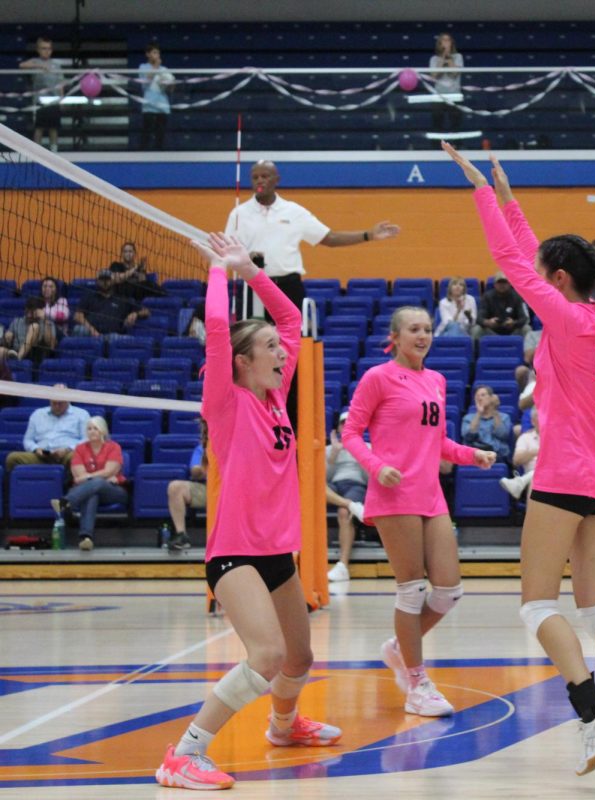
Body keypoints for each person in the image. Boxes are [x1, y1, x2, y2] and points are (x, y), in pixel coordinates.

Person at [445, 142, 595, 780]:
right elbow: (539, 252)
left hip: (565, 474)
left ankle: (593, 712)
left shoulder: (565, 317)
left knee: (538, 606)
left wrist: (479, 193)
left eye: (550, 275)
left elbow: (512, 259)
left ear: (560, 282)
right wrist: (510, 196)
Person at [155, 232, 341, 791]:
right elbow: (217, 333)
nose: (283, 352)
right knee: (267, 654)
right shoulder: (228, 402)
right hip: (236, 554)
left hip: (275, 551)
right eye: (270, 348)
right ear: (243, 360)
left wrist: (251, 271)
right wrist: (219, 271)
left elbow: (290, 321)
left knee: (300, 657)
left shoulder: (273, 396)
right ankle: (184, 753)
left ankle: (283, 727)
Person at [341, 304, 496, 717]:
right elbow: (351, 433)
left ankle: (397, 647)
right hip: (394, 494)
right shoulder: (378, 377)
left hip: (429, 493)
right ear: (396, 336)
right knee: (411, 589)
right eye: (414, 329)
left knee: (448, 590)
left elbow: (439, 442)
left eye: (427, 329)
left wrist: (471, 455)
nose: (423, 335)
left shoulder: (437, 380)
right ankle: (416, 682)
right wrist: (376, 466)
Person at [225, 160, 399, 312]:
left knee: (289, 341)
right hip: (253, 286)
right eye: (255, 177)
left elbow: (330, 238)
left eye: (265, 176)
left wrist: (368, 235)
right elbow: (227, 251)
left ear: (276, 179)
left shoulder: (294, 211)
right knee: (252, 341)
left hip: (288, 286)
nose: (260, 180)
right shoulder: (239, 213)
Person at [52, 417, 127, 551]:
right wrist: (99, 476)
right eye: (89, 428)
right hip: (89, 491)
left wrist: (90, 476)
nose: (92, 431)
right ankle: (86, 538)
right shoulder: (80, 449)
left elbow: (110, 470)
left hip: (114, 491)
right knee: (92, 494)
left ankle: (66, 502)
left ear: (103, 431)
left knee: (96, 482)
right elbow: (79, 477)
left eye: (95, 428)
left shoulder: (113, 447)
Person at [325, 411, 368, 583]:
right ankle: (351, 505)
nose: (346, 426)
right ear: (338, 427)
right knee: (313, 488)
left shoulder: (368, 447)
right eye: (343, 423)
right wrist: (333, 456)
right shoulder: (329, 449)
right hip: (333, 486)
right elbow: (323, 479)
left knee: (343, 513)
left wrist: (361, 455)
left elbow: (371, 480)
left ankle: (342, 565)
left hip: (355, 485)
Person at [4, 386, 87, 471]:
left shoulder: (81, 414)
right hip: (41, 456)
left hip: (66, 454)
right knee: (12, 458)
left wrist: (68, 449)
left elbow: (86, 439)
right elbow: (27, 440)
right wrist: (36, 449)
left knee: (74, 457)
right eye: (54, 403)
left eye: (60, 403)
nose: (57, 406)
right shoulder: (37, 414)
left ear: (68, 400)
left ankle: (66, 484)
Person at [163, 419, 209, 553]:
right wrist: (203, 468)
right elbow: (195, 471)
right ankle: (181, 535)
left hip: (232, 491)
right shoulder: (202, 448)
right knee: (175, 487)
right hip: (208, 488)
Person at [19, 36, 64, 152]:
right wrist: (39, 66)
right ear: (38, 50)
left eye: (48, 48)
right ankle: (36, 151)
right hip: (39, 101)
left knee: (53, 128)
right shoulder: (35, 61)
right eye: (43, 48)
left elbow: (61, 83)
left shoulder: (56, 65)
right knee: (39, 127)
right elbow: (22, 66)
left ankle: (54, 150)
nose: (46, 51)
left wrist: (61, 98)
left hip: (54, 100)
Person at [72, 270, 135, 338]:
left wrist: (135, 314)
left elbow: (145, 311)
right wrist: (92, 330)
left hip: (113, 336)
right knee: (79, 329)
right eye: (102, 279)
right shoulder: (89, 296)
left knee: (130, 339)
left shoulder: (122, 299)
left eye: (107, 279)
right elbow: (77, 316)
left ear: (113, 281)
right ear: (97, 281)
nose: (105, 282)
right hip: (91, 334)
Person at [138, 41, 174, 150]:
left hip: (162, 106)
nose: (157, 55)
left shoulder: (165, 70)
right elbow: (146, 80)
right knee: (146, 133)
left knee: (160, 135)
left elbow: (171, 89)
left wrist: (169, 84)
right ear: (148, 54)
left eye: (158, 53)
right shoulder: (143, 67)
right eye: (154, 52)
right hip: (149, 106)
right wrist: (156, 66)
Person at [462, 385, 513, 461]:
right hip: (475, 456)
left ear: (491, 398)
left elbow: (502, 435)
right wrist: (479, 413)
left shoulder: (504, 417)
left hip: (497, 456)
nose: (479, 398)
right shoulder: (468, 418)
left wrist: (495, 410)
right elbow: (468, 437)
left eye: (483, 395)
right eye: (477, 396)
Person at [473, 271, 530, 338]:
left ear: (509, 283)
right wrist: (488, 322)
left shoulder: (517, 297)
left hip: (513, 331)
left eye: (504, 282)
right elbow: (479, 318)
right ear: (495, 284)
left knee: (527, 329)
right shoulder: (487, 297)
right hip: (492, 332)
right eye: (499, 283)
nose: (502, 285)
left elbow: (524, 318)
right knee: (476, 329)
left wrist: (514, 323)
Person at [1, 296, 56, 363]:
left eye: (32, 313)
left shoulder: (47, 323)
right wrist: (6, 337)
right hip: (14, 351)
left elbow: (52, 345)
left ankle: (18, 359)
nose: (29, 315)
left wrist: (45, 320)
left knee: (34, 327)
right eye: (27, 312)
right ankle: (15, 358)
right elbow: (5, 341)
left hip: (34, 355)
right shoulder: (17, 321)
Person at [500, 408, 539, 500]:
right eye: (539, 416)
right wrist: (535, 451)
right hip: (534, 476)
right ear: (533, 421)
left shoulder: (557, 437)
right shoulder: (525, 437)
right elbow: (516, 460)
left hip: (556, 475)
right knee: (536, 479)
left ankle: (521, 482)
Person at [429, 32, 464, 133]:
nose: (446, 42)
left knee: (456, 122)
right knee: (437, 123)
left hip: (455, 94)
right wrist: (443, 58)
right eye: (443, 40)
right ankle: (437, 146)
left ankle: (456, 146)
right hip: (438, 95)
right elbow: (434, 76)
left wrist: (449, 59)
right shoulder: (434, 59)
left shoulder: (458, 57)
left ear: (451, 43)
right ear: (439, 43)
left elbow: (454, 73)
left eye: (448, 40)